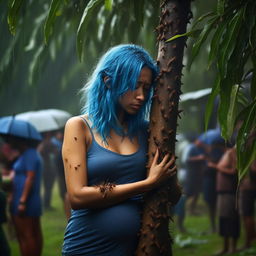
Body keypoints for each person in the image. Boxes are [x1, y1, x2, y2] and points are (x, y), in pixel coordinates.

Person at [62, 44, 177, 255]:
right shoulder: (79, 127)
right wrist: (147, 184)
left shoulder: (148, 132)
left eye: (146, 87)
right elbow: (77, 197)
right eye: (135, 85)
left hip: (136, 248)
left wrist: (169, 178)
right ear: (108, 81)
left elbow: (172, 195)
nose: (141, 96)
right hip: (86, 247)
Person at [7, 136, 43, 256]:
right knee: (29, 234)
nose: (9, 142)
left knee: (27, 235)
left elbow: (30, 176)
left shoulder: (30, 154)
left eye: (11, 139)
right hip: (24, 198)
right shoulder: (27, 154)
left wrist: (22, 201)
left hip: (25, 200)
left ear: (21, 140)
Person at [209, 146, 240, 255]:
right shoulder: (227, 153)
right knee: (224, 219)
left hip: (230, 192)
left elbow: (233, 171)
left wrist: (217, 166)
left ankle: (233, 248)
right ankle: (225, 247)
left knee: (232, 219)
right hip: (223, 192)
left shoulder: (233, 153)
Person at [38, 131, 58, 210]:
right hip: (48, 168)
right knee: (48, 187)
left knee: (47, 187)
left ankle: (46, 204)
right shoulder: (47, 143)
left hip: (46, 168)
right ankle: (46, 205)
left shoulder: (42, 143)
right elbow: (56, 152)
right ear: (47, 134)